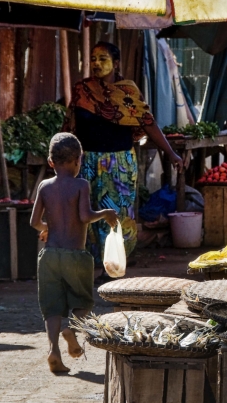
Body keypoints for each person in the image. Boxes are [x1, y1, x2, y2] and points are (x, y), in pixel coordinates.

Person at [65, 41, 183, 272]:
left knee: (117, 212)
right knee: (86, 213)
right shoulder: (82, 90)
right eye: (93, 59)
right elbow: (70, 126)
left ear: (116, 63)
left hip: (119, 164)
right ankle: (90, 263)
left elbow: (148, 123)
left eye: (103, 59)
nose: (96, 64)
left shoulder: (128, 92)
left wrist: (171, 153)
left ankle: (114, 265)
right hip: (87, 162)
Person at [30, 133, 119, 373]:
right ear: (78, 160)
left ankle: (54, 351)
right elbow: (84, 216)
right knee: (84, 301)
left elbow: (34, 222)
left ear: (50, 162)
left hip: (49, 256)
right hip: (76, 256)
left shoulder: (44, 186)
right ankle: (71, 328)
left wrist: (47, 228)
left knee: (52, 307)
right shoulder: (81, 185)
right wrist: (106, 213)